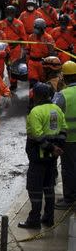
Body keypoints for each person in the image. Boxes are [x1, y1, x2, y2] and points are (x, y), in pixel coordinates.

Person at [18, 83, 66, 229]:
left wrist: (51, 148)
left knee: (34, 189)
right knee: (49, 188)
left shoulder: (35, 111)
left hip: (38, 158)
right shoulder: (57, 109)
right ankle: (49, 217)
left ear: (37, 96)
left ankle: (34, 220)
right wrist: (57, 148)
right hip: (52, 158)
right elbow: (64, 130)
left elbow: (37, 136)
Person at [53, 61, 76, 209]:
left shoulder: (62, 95)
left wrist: (53, 138)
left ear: (65, 78)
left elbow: (52, 116)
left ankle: (69, 199)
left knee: (68, 169)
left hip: (68, 139)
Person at [0, 6, 28, 90]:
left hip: (15, 48)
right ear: (6, 14)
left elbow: (23, 36)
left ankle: (13, 83)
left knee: (14, 66)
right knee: (5, 65)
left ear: (14, 14)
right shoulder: (1, 24)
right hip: (4, 48)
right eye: (8, 13)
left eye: (11, 13)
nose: (10, 15)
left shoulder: (19, 23)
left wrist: (25, 48)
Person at [25, 18, 55, 85]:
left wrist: (49, 65)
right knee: (33, 82)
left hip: (43, 63)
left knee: (43, 82)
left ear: (43, 28)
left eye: (38, 28)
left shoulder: (48, 38)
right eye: (35, 27)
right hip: (32, 63)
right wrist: (27, 62)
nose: (36, 29)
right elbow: (28, 50)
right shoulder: (31, 37)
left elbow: (51, 52)